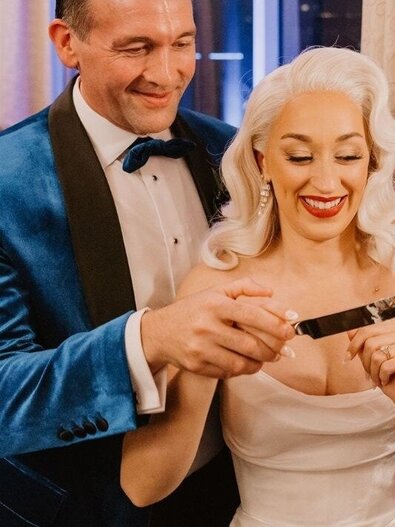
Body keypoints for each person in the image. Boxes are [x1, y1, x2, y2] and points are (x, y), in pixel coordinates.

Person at [120, 46, 395, 526]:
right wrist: (204, 363)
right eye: (299, 155)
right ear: (262, 161)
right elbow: (143, 486)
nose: (326, 180)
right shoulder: (216, 288)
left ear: (371, 162)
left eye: (348, 155)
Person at [0, 1, 296, 526]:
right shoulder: (7, 181)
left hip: (234, 498)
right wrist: (151, 339)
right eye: (136, 48)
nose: (166, 73)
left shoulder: (228, 151)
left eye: (182, 43)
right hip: (83, 510)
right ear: (67, 43)